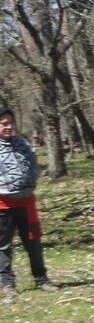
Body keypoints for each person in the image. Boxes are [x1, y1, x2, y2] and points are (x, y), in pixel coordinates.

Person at [0, 108, 57, 301]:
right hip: (3, 206)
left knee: (34, 244)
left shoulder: (22, 144)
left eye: (10, 123)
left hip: (27, 204)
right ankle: (8, 285)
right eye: (4, 123)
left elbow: (34, 163)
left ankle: (42, 279)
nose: (8, 127)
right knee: (3, 247)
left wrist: (33, 176)